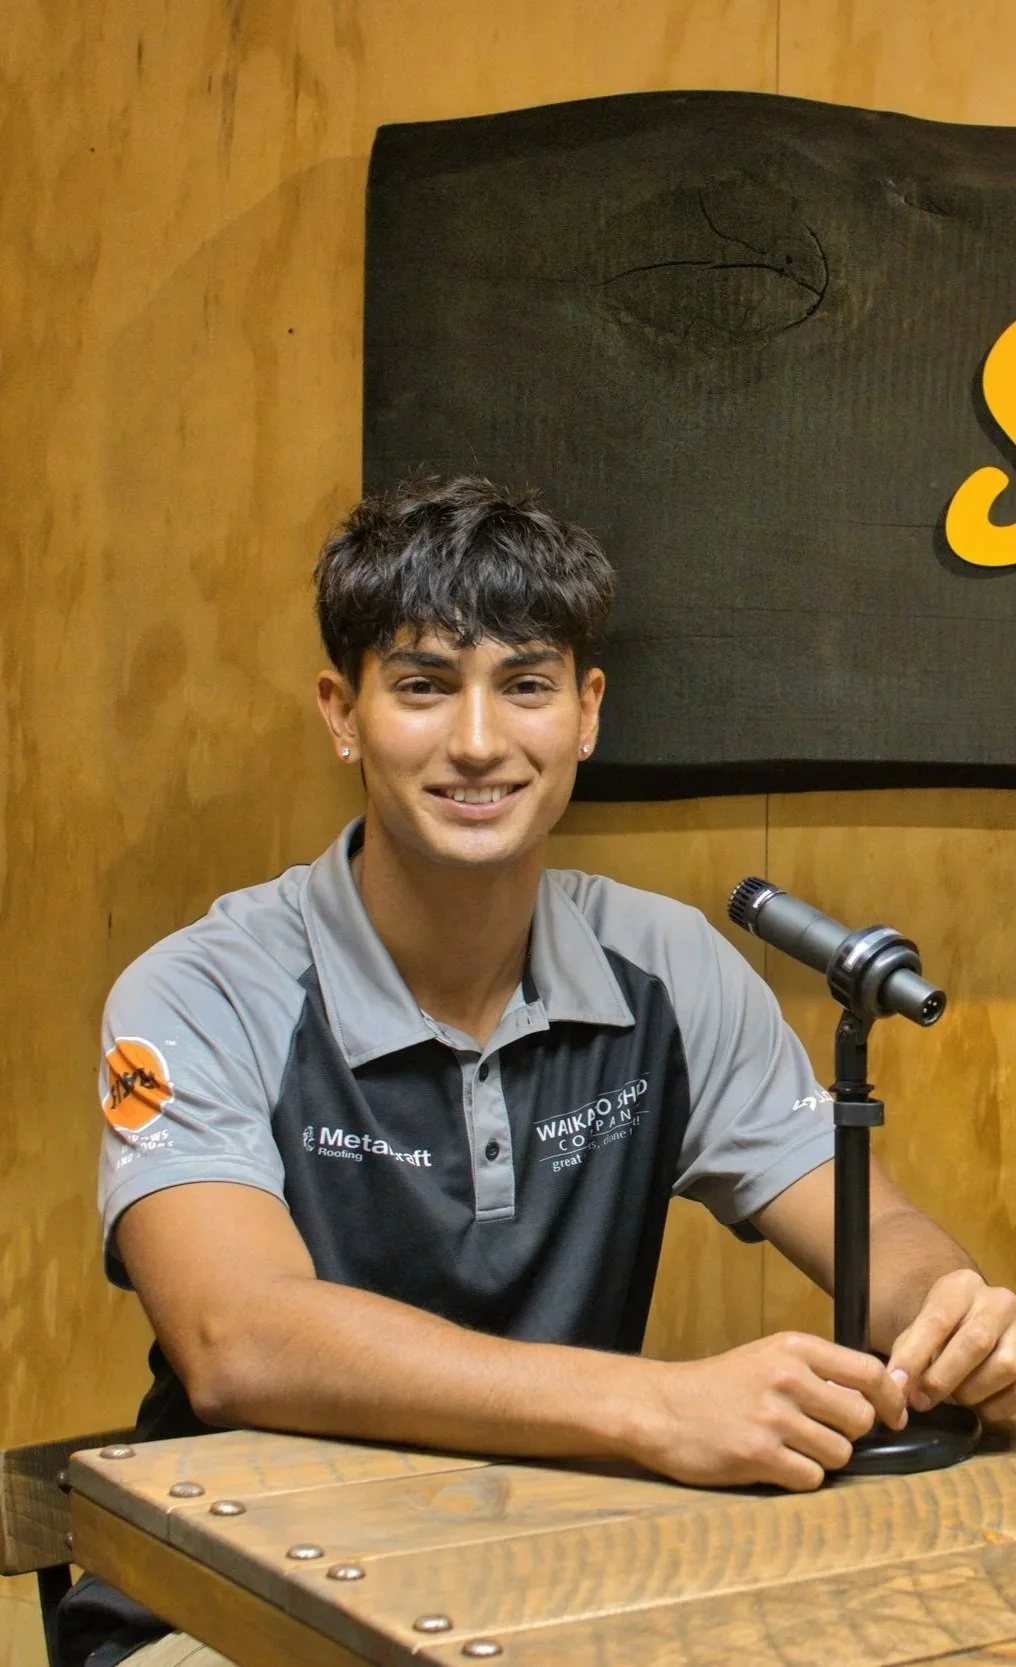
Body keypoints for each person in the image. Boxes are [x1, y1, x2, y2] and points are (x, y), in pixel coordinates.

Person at [61, 476, 1016, 1667]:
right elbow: (236, 1337)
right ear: (340, 710)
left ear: (585, 712)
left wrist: (953, 1324)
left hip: (562, 1574)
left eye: (524, 684)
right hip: (217, 1602)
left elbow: (871, 1231)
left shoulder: (668, 964)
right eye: (420, 685)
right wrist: (655, 1405)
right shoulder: (199, 986)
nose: (476, 740)